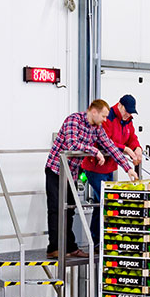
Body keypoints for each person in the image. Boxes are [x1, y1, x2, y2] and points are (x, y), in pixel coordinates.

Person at [45, 99, 137, 258]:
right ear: (93, 111)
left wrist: (128, 168)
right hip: (56, 170)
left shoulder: (97, 128)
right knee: (56, 209)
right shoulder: (73, 121)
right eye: (103, 116)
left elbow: (110, 147)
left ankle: (70, 247)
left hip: (71, 173)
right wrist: (94, 151)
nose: (105, 120)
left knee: (70, 209)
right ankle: (54, 248)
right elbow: (72, 145)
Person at [78, 94, 144, 245]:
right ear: (120, 106)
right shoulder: (107, 119)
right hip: (95, 166)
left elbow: (131, 137)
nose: (128, 115)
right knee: (105, 200)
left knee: (100, 202)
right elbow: (107, 142)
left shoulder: (127, 121)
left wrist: (137, 148)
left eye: (131, 113)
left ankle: (97, 240)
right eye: (127, 111)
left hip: (110, 167)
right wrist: (125, 149)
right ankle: (102, 240)